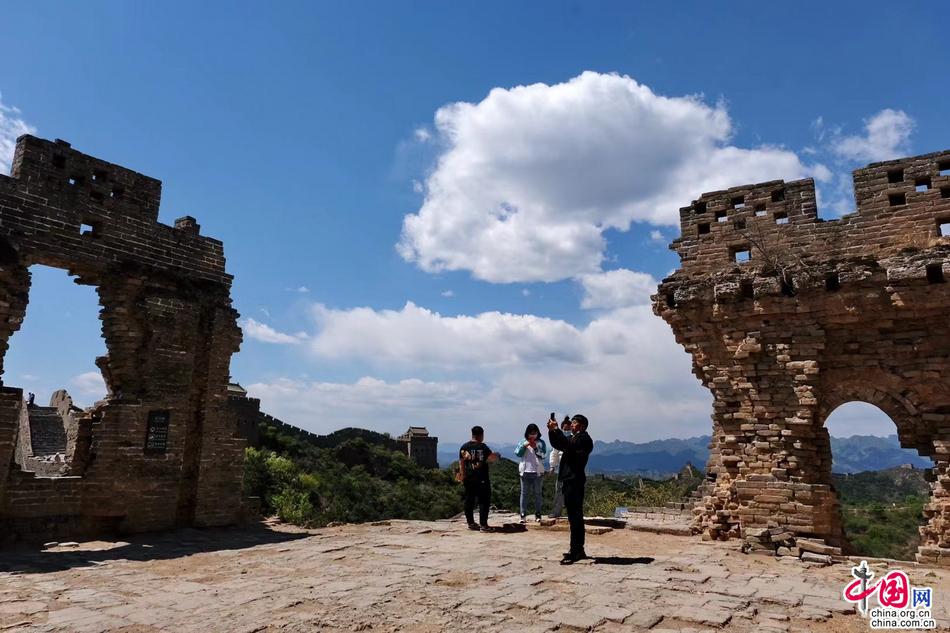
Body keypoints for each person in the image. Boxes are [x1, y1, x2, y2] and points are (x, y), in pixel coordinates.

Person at [547, 413, 593, 564]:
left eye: (574, 422)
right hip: (569, 480)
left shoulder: (584, 439)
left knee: (575, 516)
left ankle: (576, 550)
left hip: (575, 480)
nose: (571, 424)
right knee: (573, 517)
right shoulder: (573, 438)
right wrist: (552, 431)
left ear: (582, 426)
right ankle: (577, 549)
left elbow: (568, 445)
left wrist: (556, 430)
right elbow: (558, 444)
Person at [458, 425, 499, 531]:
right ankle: (483, 525)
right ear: (481, 435)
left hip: (468, 478)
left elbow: (461, 463)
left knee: (469, 500)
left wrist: (462, 476)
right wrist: (497, 455)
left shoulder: (464, 447)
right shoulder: (483, 447)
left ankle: (471, 523)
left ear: (472, 434)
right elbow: (491, 459)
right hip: (482, 478)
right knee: (484, 501)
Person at [515, 423, 547, 523]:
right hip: (525, 471)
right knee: (524, 493)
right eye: (531, 433)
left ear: (538, 433)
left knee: (538, 494)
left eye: (534, 433)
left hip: (537, 472)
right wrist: (524, 446)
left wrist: (535, 448)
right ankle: (523, 514)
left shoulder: (541, 442)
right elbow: (517, 453)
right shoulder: (523, 442)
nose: (533, 435)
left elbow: (544, 455)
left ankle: (538, 514)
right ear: (527, 433)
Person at [548, 416, 573, 519]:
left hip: (572, 470)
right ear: (562, 429)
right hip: (561, 470)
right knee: (559, 491)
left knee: (571, 492)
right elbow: (554, 453)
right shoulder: (559, 440)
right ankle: (556, 512)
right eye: (565, 429)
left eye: (568, 429)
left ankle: (572, 513)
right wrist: (552, 466)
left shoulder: (574, 439)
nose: (566, 431)